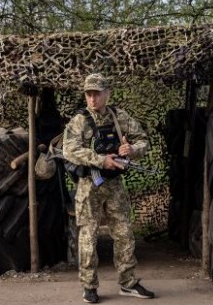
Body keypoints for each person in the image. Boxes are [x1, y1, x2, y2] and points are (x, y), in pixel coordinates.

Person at [62, 73, 155, 303]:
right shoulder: (79, 121)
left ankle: (128, 282)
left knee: (124, 232)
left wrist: (131, 150)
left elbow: (143, 139)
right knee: (88, 236)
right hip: (89, 184)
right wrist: (101, 160)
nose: (92, 99)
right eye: (88, 94)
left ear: (107, 94)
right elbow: (70, 150)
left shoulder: (119, 117)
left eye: (97, 93)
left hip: (114, 184)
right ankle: (89, 286)